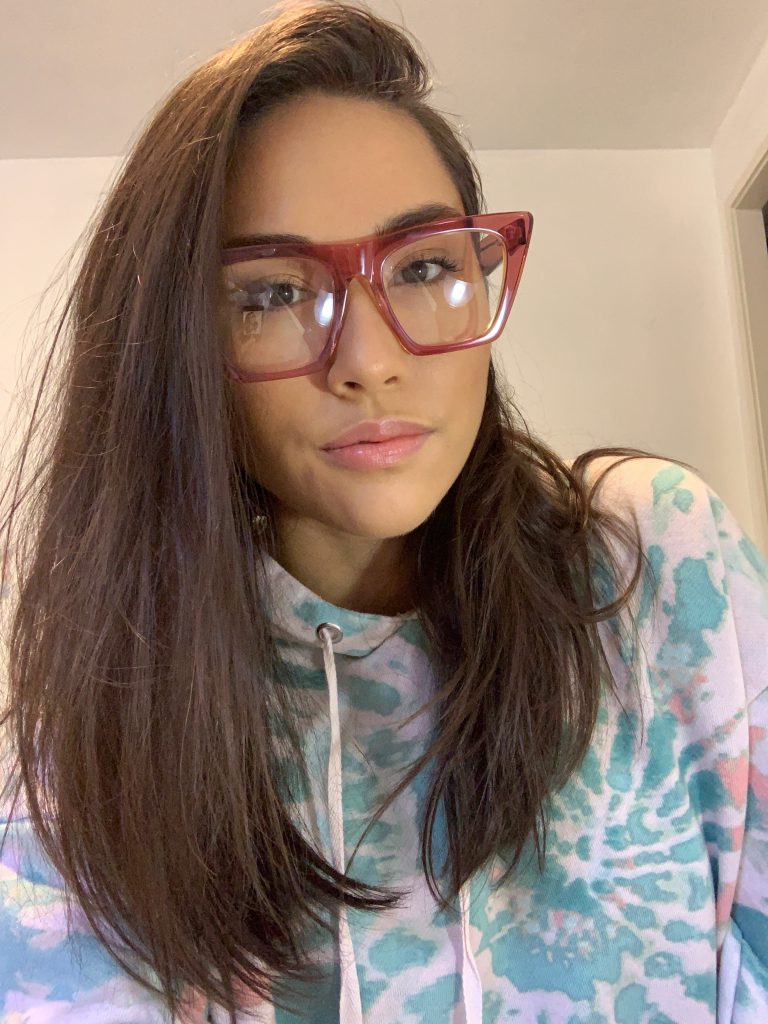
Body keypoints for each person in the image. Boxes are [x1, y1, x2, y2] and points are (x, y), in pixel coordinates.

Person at [1, 2, 766, 1022]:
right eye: (270, 294)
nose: (370, 361)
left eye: (424, 267)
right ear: (177, 348)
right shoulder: (99, 739)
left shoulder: (652, 565)